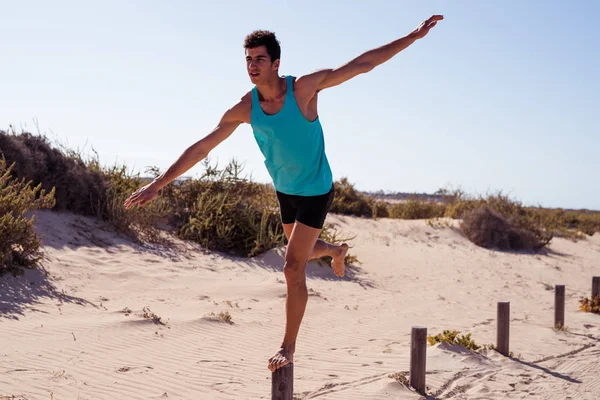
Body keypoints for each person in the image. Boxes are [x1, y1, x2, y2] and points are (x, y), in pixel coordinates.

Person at [124, 14, 443, 372]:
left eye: (259, 59)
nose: (252, 65)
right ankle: (337, 251)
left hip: (316, 190)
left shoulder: (304, 89)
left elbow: (362, 65)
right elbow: (202, 148)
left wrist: (413, 37)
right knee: (302, 253)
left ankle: (288, 347)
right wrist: (158, 184)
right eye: (248, 59)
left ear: (276, 63)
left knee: (292, 266)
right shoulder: (244, 109)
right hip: (286, 192)